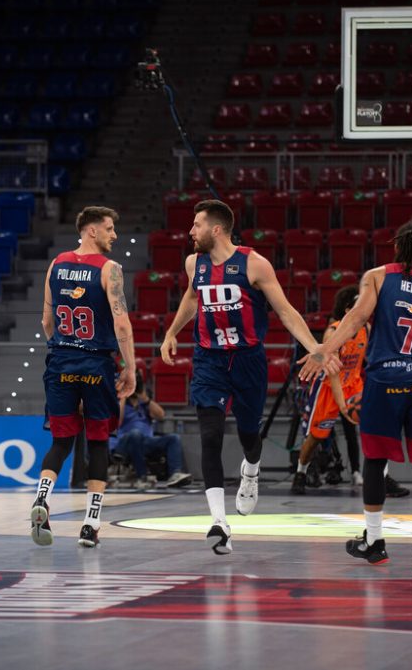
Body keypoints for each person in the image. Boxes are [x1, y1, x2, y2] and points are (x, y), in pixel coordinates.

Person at [160, 199, 335, 555]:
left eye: (197, 225)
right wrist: (171, 332)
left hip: (247, 360)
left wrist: (315, 347)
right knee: (210, 435)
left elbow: (285, 310)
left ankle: (251, 470)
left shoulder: (254, 264)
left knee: (248, 434)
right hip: (209, 359)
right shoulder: (195, 263)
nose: (190, 231)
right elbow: (192, 299)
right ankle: (219, 523)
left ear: (216, 229)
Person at [301, 221, 412, 570]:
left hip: (384, 384)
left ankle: (375, 542)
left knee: (376, 462)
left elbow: (354, 319)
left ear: (396, 248)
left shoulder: (377, 277)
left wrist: (323, 351)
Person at [31, 206, 136, 549]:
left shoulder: (56, 264)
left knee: (61, 442)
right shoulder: (109, 269)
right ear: (92, 230)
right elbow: (121, 323)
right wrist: (130, 367)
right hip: (96, 365)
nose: (114, 235)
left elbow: (46, 321)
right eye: (109, 228)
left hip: (60, 363)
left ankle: (42, 498)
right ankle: (90, 525)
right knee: (98, 442)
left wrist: (62, 347)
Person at [292, 285, 365, 495]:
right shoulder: (332, 333)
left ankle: (369, 474)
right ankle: (301, 472)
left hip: (353, 384)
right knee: (316, 436)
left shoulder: (366, 329)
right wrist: (342, 405)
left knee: (372, 429)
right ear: (347, 309)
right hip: (328, 388)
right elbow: (333, 373)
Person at [112, 371, 192, 489]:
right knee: (135, 434)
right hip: (126, 442)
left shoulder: (143, 401)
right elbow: (117, 421)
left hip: (147, 441)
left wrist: (145, 399)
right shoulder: (119, 400)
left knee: (174, 438)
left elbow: (161, 415)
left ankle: (175, 473)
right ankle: (142, 476)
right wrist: (123, 395)